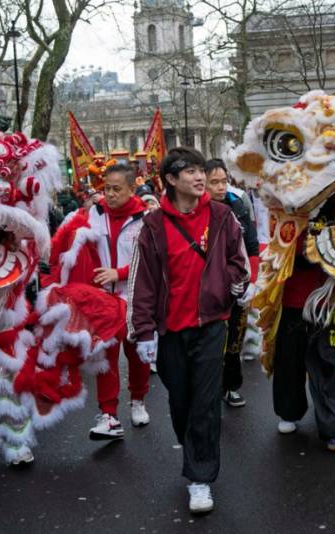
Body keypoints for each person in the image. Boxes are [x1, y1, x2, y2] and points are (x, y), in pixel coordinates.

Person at [127, 146, 249, 514]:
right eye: (190, 171)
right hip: (169, 332)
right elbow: (142, 283)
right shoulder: (152, 226)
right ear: (171, 180)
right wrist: (143, 332)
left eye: (202, 170)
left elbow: (240, 264)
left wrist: (224, 286)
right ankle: (193, 446)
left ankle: (200, 478)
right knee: (180, 401)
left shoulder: (224, 216)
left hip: (211, 326)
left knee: (206, 403)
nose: (200, 177)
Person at [46, 163, 152, 440]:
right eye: (107, 189)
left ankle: (138, 399)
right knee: (105, 356)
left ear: (132, 188)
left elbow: (155, 262)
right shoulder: (93, 213)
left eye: (117, 189)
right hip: (102, 300)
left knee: (137, 355)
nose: (111, 194)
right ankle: (109, 415)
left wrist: (120, 273)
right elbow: (73, 245)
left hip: (136, 299)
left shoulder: (148, 218)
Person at [204, 158, 259, 408]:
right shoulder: (194, 210)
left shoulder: (239, 204)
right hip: (208, 290)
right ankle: (210, 388)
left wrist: (253, 282)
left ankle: (231, 386)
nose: (220, 187)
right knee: (211, 342)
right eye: (213, 182)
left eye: (223, 181)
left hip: (239, 284)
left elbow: (252, 245)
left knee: (235, 338)